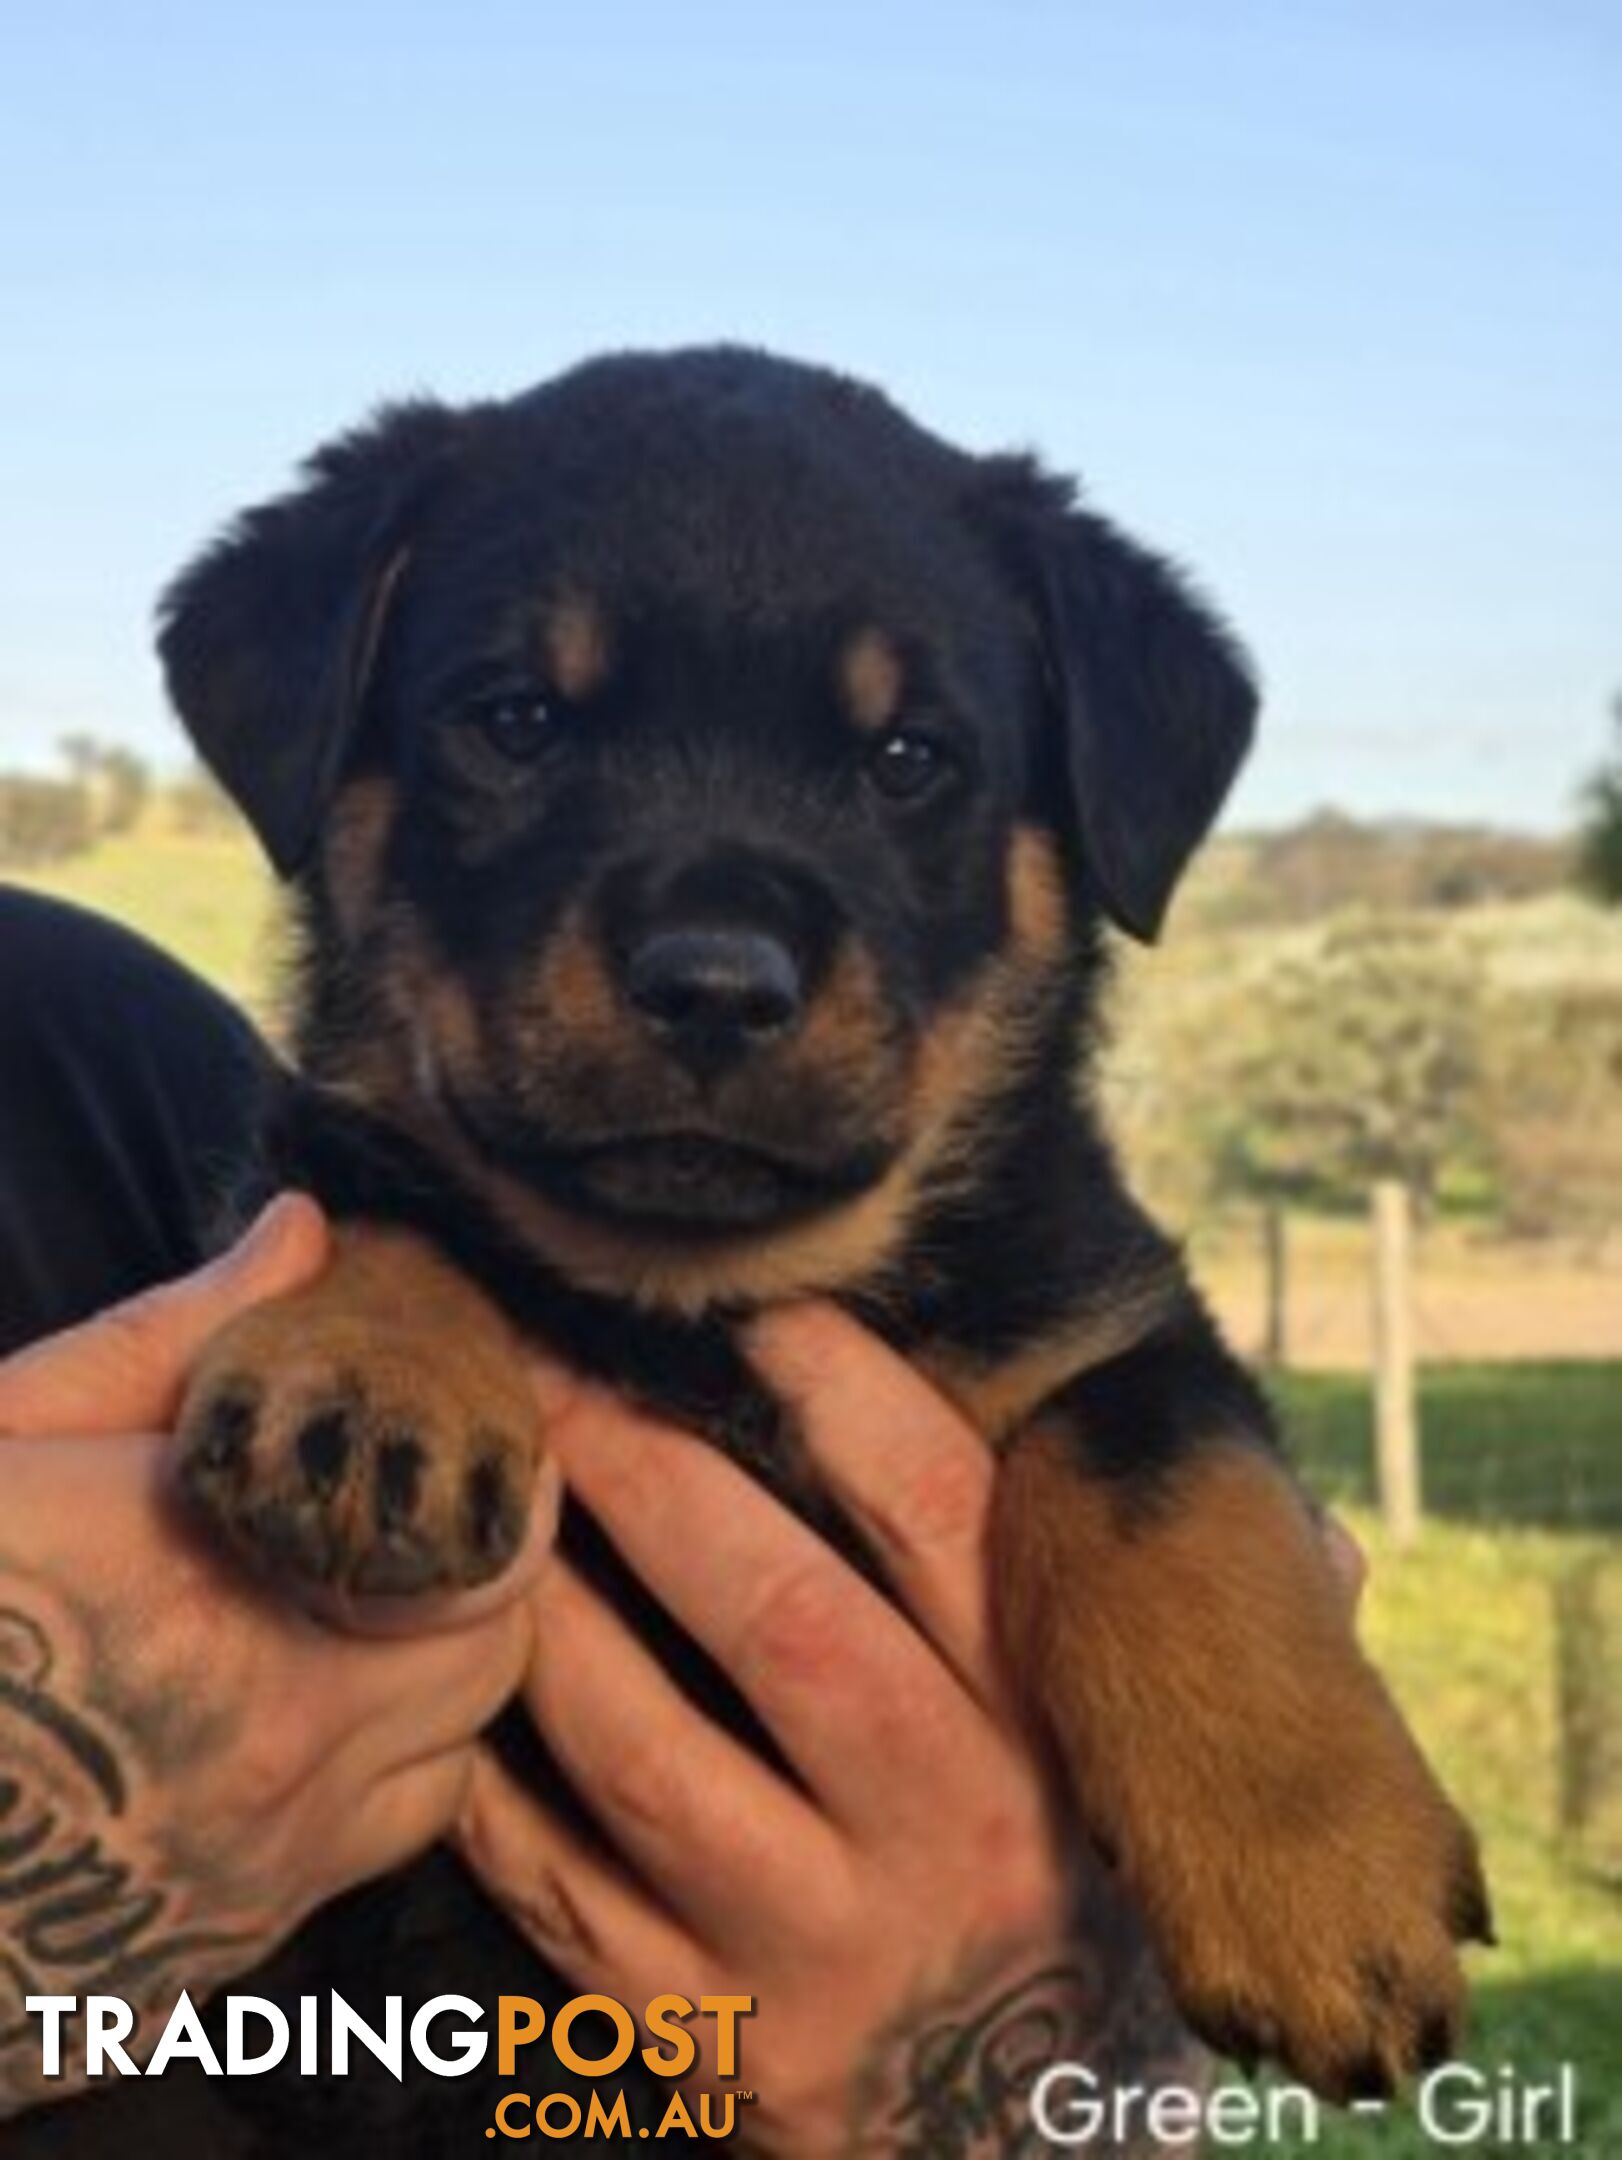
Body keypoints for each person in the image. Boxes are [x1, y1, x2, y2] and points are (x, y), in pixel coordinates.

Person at [0, 890, 1361, 2154]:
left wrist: (1052, 2081)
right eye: (518, 728)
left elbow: (335, 1221)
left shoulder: (76, 1050)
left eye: (905, 761)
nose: (717, 957)